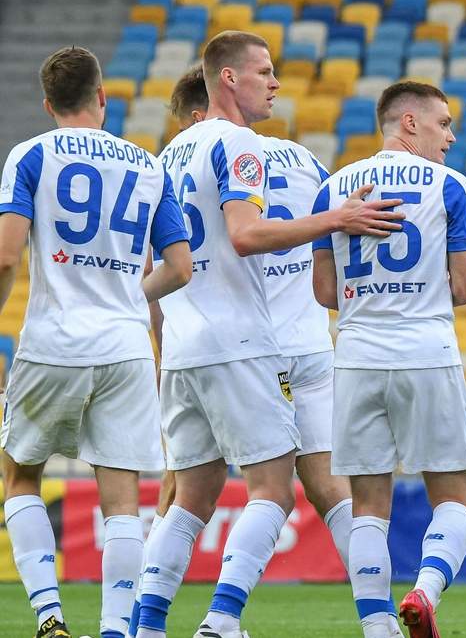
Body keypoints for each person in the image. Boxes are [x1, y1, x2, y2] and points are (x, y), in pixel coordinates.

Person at [133, 31, 403, 638]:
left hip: (188, 344)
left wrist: (159, 350)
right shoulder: (263, 150)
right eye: (265, 72)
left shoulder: (165, 158)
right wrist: (338, 218)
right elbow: (252, 234)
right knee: (285, 492)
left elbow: (161, 261)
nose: (275, 83)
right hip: (258, 342)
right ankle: (225, 620)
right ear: (228, 80)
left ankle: (144, 627)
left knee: (191, 497)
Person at [0, 46, 192, 638]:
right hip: (126, 348)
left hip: (53, 342)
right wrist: (130, 297)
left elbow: (6, 256)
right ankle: (114, 630)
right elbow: (180, 267)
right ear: (102, 97)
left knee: (20, 477)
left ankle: (51, 619)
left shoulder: (31, 155)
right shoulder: (149, 166)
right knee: (122, 501)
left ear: (48, 104)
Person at [312, 81, 466, 638]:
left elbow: (324, 292)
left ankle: (377, 630)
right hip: (426, 352)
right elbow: (465, 288)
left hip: (357, 356)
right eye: (443, 124)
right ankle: (424, 591)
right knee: (454, 496)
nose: (451, 137)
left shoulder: (333, 188)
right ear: (409, 122)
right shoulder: (450, 186)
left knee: (367, 508)